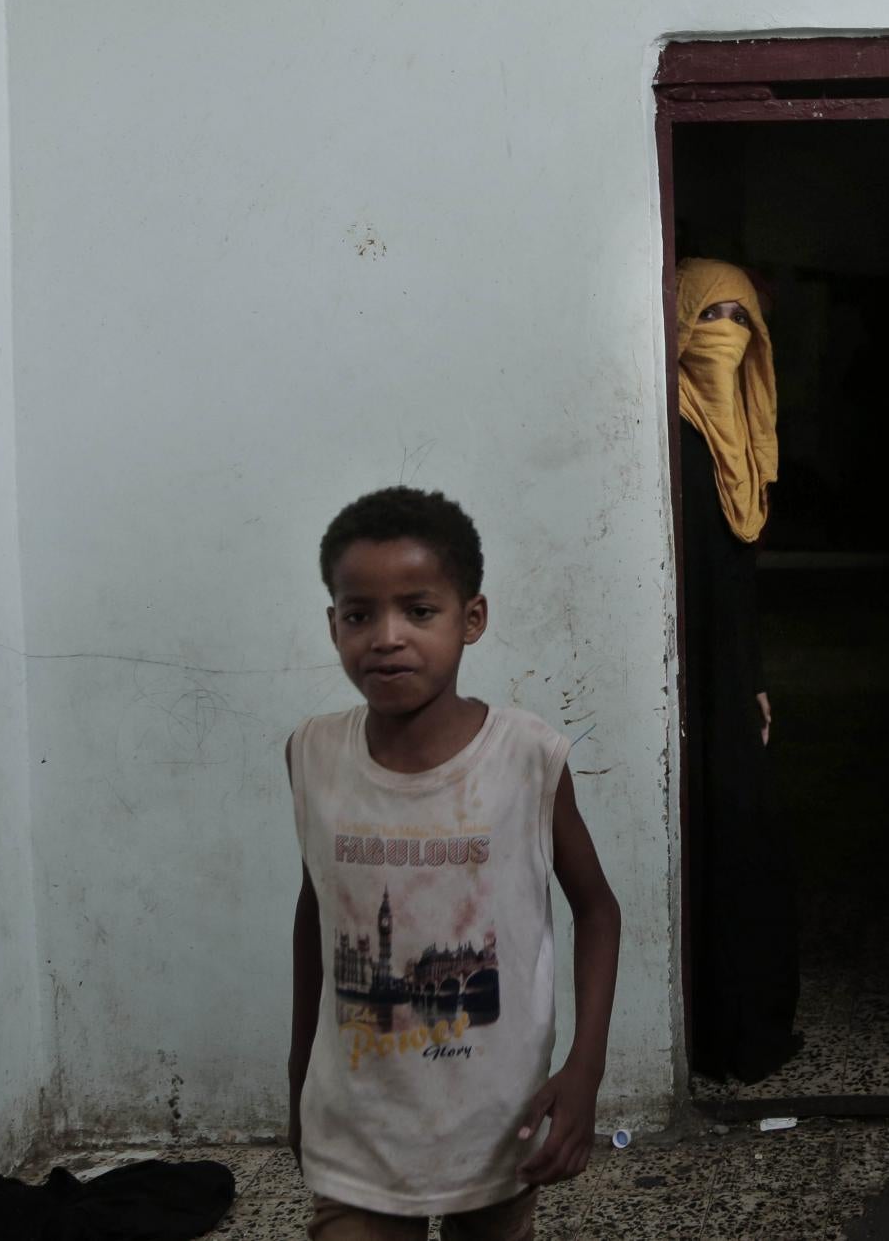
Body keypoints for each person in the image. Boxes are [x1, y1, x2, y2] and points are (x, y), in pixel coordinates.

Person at [286, 487, 622, 1241]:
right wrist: (296, 1075)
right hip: (358, 1120)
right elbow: (316, 910)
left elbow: (598, 908)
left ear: (472, 617)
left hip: (496, 1119)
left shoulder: (526, 758)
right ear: (333, 623)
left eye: (419, 610)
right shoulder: (312, 754)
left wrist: (585, 1068)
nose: (386, 637)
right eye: (358, 613)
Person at [674, 258, 803, 1083]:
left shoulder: (745, 446)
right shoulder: (670, 435)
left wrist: (750, 677)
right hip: (684, 680)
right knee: (708, 841)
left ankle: (749, 1030)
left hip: (727, 681)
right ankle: (719, 1037)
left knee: (746, 843)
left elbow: (737, 574)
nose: (725, 333)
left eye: (740, 317)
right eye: (707, 315)